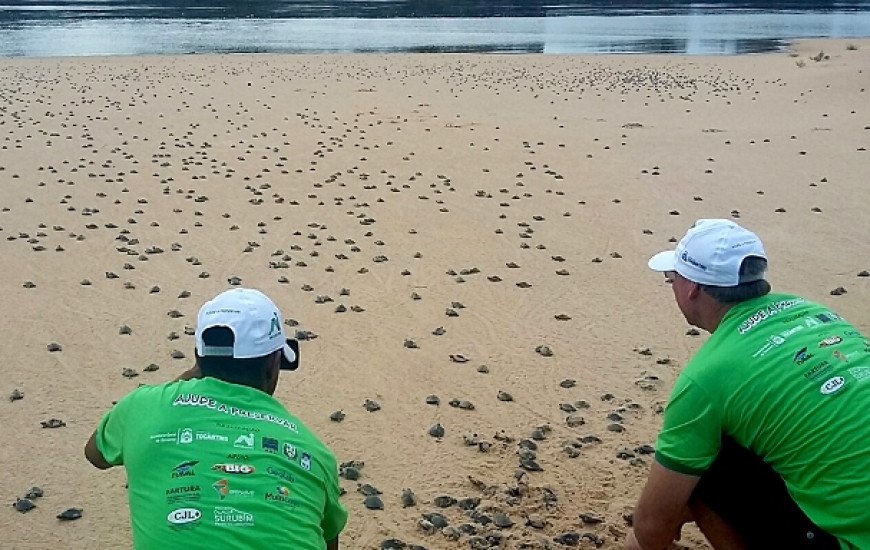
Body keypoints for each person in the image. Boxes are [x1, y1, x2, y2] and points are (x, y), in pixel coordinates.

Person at [627, 219, 870, 550]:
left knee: (705, 462)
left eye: (671, 279)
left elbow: (650, 527)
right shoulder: (814, 312)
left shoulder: (708, 376)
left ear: (691, 288)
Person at [85, 287, 347, 550]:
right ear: (273, 364)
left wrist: (190, 377)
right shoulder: (315, 453)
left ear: (198, 355)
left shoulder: (141, 407)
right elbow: (328, 540)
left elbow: (95, 454)